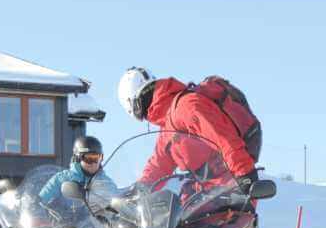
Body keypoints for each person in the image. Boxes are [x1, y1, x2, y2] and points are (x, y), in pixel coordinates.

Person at [117, 68, 261, 193]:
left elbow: (224, 138)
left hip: (232, 188)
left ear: (134, 106)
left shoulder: (186, 106)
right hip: (207, 194)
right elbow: (157, 167)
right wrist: (138, 191)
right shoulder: (168, 128)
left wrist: (245, 174)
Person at [40, 135, 117, 204]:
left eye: (97, 158)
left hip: (94, 219)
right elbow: (42, 200)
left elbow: (116, 203)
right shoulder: (62, 179)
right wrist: (35, 204)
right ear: (78, 158)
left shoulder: (106, 183)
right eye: (89, 158)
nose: (93, 163)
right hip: (65, 219)